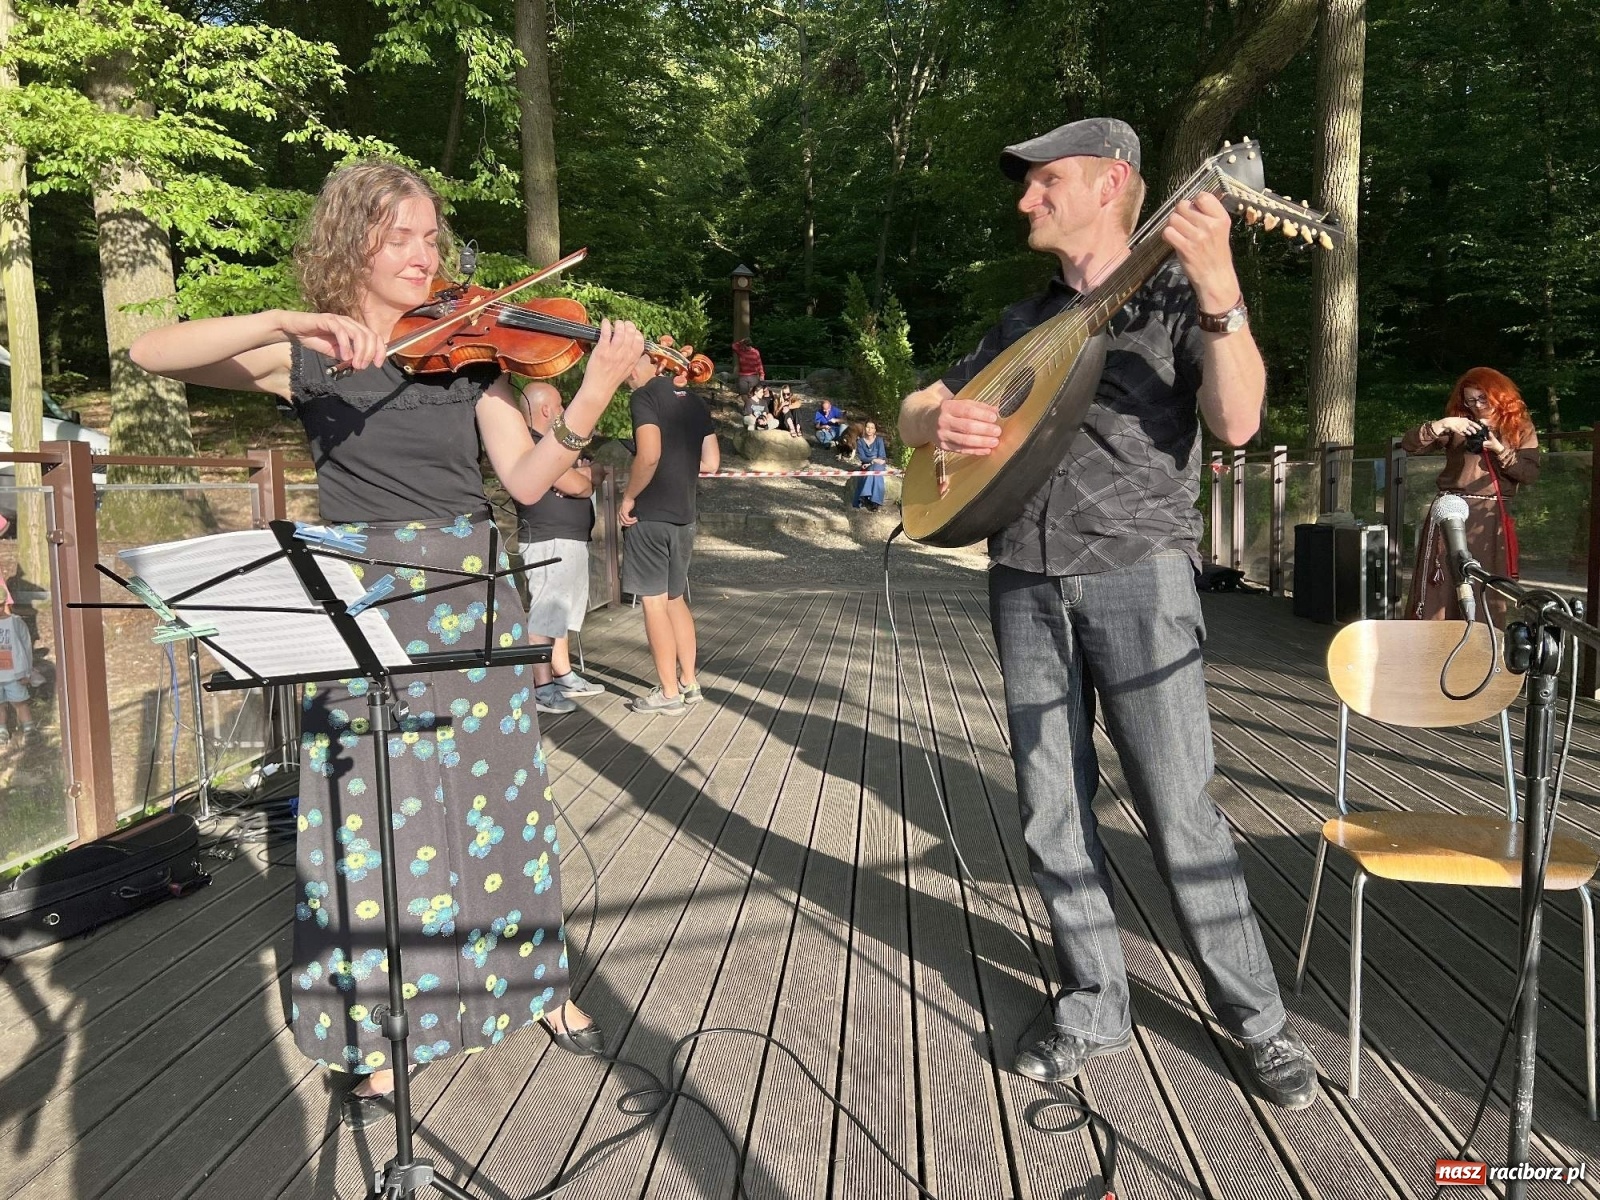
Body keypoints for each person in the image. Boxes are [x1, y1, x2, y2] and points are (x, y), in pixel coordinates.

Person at [128, 159, 639, 1121]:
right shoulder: (308, 355)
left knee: (501, 801)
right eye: (398, 236)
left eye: (431, 237)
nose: (421, 254)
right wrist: (287, 320)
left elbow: (526, 482)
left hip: (468, 589)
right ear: (349, 242)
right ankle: (384, 1031)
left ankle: (533, 984)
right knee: (371, 816)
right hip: (361, 596)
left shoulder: (472, 352)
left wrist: (593, 392)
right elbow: (152, 350)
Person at [897, 117, 1319, 1109]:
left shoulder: (1174, 294)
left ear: (1110, 184)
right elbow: (917, 407)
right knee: (1051, 808)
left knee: (1179, 811)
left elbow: (1239, 421)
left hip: (1139, 575)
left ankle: (1258, 1023)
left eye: (1046, 181)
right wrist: (933, 417)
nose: (1026, 199)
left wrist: (1220, 287)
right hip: (1022, 576)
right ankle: (1093, 1002)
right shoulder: (1023, 322)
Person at [619, 353, 718, 714]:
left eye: (627, 366)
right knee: (675, 599)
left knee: (654, 602)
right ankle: (689, 683)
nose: (625, 373)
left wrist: (629, 497)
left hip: (651, 516)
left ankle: (668, 693)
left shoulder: (644, 397)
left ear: (640, 367)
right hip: (684, 516)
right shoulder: (694, 401)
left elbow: (648, 455)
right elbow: (711, 462)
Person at [1401, 367, 1540, 620]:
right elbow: (1409, 445)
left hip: (1491, 517)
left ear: (1498, 395)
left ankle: (1484, 641)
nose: (1476, 405)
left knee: (1487, 586)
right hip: (1452, 511)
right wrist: (1442, 424)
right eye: (1470, 400)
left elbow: (1529, 474)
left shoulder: (1519, 427)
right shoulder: (1459, 424)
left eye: (1482, 398)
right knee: (1441, 586)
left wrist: (1499, 449)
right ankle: (1435, 641)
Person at [514, 380, 608, 714]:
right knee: (545, 614)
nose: (564, 410)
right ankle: (542, 689)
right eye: (559, 405)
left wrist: (585, 476)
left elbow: (595, 472)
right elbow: (577, 485)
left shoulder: (556, 446)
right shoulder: (529, 444)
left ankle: (562, 674)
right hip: (548, 540)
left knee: (560, 613)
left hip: (566, 539)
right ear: (546, 410)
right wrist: (582, 479)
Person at [0, 593, 37, 743]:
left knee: (20, 702)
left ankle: (29, 729)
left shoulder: (15, 622)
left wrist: (27, 671)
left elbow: (26, 646)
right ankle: (2, 730)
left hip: (14, 674)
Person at [848, 420, 889, 510]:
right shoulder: (860, 442)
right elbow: (862, 458)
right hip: (866, 464)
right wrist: (873, 460)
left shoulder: (879, 440)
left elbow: (882, 456)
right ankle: (870, 499)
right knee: (870, 470)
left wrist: (872, 462)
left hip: (879, 464)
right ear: (864, 428)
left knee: (875, 471)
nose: (869, 429)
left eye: (872, 428)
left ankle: (870, 499)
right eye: (868, 427)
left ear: (874, 430)